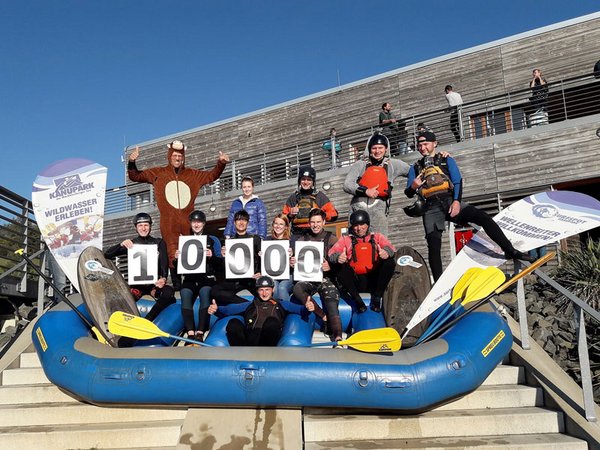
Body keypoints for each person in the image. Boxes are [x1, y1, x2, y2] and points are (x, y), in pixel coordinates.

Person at [404, 131, 535, 281]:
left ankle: (510, 250)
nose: (422, 148)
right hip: (431, 207)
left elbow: (458, 181)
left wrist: (456, 201)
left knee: (484, 218)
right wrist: (413, 186)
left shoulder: (446, 159)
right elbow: (408, 193)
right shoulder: (415, 168)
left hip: (449, 201)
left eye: (425, 144)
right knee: (433, 245)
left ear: (435, 144)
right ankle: (439, 282)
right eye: (419, 145)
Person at [127, 140, 229, 283]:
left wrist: (221, 163)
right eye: (174, 155)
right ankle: (176, 286)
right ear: (169, 156)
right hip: (169, 222)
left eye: (180, 156)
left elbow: (211, 176)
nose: (177, 158)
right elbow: (135, 176)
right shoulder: (158, 173)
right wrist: (132, 161)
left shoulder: (193, 174)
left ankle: (191, 284)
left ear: (183, 157)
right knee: (171, 253)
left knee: (188, 252)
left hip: (187, 223)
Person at [104, 212, 176, 323]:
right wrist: (121, 244)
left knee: (169, 293)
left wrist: (163, 278)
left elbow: (164, 263)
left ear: (150, 226)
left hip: (154, 285)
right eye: (140, 225)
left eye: (146, 225)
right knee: (117, 300)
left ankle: (148, 320)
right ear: (136, 228)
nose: (143, 228)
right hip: (137, 287)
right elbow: (107, 255)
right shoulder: (131, 244)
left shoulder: (159, 242)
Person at [207, 276, 314, 346]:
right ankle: (239, 355)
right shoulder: (250, 304)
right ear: (257, 291)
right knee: (233, 323)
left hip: (268, 340)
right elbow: (228, 310)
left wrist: (307, 308)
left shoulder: (281, 304)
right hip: (250, 339)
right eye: (261, 290)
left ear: (273, 290)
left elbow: (299, 310)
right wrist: (216, 309)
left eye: (267, 289)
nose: (264, 293)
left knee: (271, 322)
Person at [328, 210, 396, 313]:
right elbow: (331, 253)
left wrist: (386, 252)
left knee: (390, 262)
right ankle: (357, 299)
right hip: (356, 281)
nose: (359, 229)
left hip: (374, 279)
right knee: (338, 265)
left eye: (362, 224)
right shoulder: (346, 239)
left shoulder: (377, 237)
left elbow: (391, 248)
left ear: (367, 224)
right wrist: (338, 257)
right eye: (356, 225)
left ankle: (377, 297)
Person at [343, 132, 411, 235]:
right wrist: (366, 191)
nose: (377, 151)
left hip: (379, 209)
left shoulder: (393, 165)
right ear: (369, 149)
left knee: (380, 243)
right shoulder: (360, 165)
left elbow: (413, 170)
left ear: (386, 149)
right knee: (354, 243)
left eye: (380, 148)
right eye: (374, 148)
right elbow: (347, 184)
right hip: (357, 209)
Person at [292, 208, 343, 341]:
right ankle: (323, 316)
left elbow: (341, 262)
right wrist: (293, 262)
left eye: (318, 222)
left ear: (324, 222)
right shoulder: (302, 239)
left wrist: (331, 267)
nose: (315, 225)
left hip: (326, 278)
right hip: (309, 279)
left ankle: (338, 336)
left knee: (331, 302)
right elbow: (297, 261)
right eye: (312, 222)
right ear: (309, 223)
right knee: (297, 288)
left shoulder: (331, 239)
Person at [175, 210, 224, 345]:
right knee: (184, 293)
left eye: (199, 222)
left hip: (206, 277)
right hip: (190, 278)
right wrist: (176, 258)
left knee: (205, 292)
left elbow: (220, 262)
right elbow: (178, 266)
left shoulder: (212, 239)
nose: (196, 225)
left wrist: (212, 256)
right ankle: (190, 332)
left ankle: (200, 332)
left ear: (203, 223)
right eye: (194, 222)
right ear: (190, 224)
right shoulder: (185, 240)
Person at [211, 209, 262, 306]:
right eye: (238, 220)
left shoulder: (255, 239)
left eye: (244, 220)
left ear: (247, 223)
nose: (241, 222)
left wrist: (260, 272)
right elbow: (223, 267)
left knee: (264, 292)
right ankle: (247, 305)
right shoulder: (229, 241)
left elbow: (262, 259)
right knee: (215, 291)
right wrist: (223, 257)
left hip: (251, 279)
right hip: (235, 280)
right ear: (234, 223)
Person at [282, 166, 338, 235]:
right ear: (299, 181)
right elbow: (282, 220)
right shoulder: (293, 198)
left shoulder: (320, 197)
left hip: (315, 233)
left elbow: (334, 216)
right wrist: (290, 214)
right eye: (303, 179)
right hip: (297, 234)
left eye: (309, 180)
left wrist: (320, 213)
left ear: (313, 182)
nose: (306, 182)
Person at [269, 213, 294, 301]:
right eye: (276, 223)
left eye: (281, 224)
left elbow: (297, 262)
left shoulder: (292, 241)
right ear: (273, 225)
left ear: (286, 227)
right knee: (274, 287)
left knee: (282, 287)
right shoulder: (267, 241)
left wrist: (292, 257)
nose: (278, 226)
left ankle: (287, 312)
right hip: (273, 275)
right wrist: (262, 255)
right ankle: (277, 311)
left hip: (288, 275)